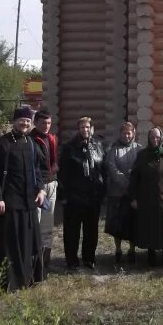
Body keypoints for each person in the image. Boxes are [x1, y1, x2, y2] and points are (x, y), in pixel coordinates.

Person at [0, 106, 46, 291]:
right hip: (9, 203)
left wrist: (41, 190)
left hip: (29, 202)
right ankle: (6, 282)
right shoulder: (2, 144)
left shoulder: (32, 143)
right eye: (21, 120)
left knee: (30, 242)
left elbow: (39, 169)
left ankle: (28, 279)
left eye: (27, 121)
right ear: (14, 122)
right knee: (8, 244)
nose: (25, 124)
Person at [129, 127, 163, 267]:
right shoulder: (142, 155)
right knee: (150, 227)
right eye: (152, 137)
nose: (155, 140)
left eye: (158, 137)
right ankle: (151, 255)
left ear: (162, 138)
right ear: (148, 138)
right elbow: (134, 178)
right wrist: (133, 197)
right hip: (147, 199)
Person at [57, 116, 105, 270]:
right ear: (78, 129)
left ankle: (88, 258)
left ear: (91, 129)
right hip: (75, 196)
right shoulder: (69, 148)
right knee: (72, 231)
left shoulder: (98, 145)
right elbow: (62, 174)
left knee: (91, 231)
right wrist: (63, 196)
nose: (85, 130)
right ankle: (72, 261)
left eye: (87, 127)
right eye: (82, 127)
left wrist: (102, 192)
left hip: (93, 196)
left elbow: (102, 169)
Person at [105, 121, 141, 265]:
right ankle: (118, 250)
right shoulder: (113, 149)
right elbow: (112, 169)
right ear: (120, 134)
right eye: (124, 133)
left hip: (133, 194)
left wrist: (132, 185)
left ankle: (132, 250)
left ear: (133, 134)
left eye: (129, 133)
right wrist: (125, 183)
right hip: (116, 193)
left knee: (132, 222)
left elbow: (140, 168)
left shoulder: (138, 149)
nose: (126, 135)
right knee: (117, 222)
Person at [30, 110, 59, 272]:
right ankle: (34, 258)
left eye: (48, 123)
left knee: (48, 223)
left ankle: (45, 258)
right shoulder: (31, 140)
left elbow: (53, 160)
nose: (46, 126)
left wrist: (55, 170)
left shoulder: (51, 139)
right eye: (43, 123)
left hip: (51, 183)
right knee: (37, 222)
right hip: (37, 187)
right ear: (36, 122)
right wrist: (39, 187)